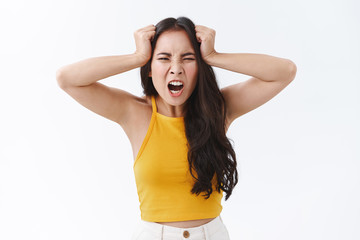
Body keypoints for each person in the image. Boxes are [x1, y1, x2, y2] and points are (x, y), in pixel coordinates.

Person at [56, 16, 296, 240]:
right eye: (164, 58)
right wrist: (137, 56)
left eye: (188, 58)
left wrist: (213, 55)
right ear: (150, 69)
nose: (176, 67)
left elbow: (284, 72)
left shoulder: (218, 110)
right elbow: (67, 78)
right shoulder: (134, 112)